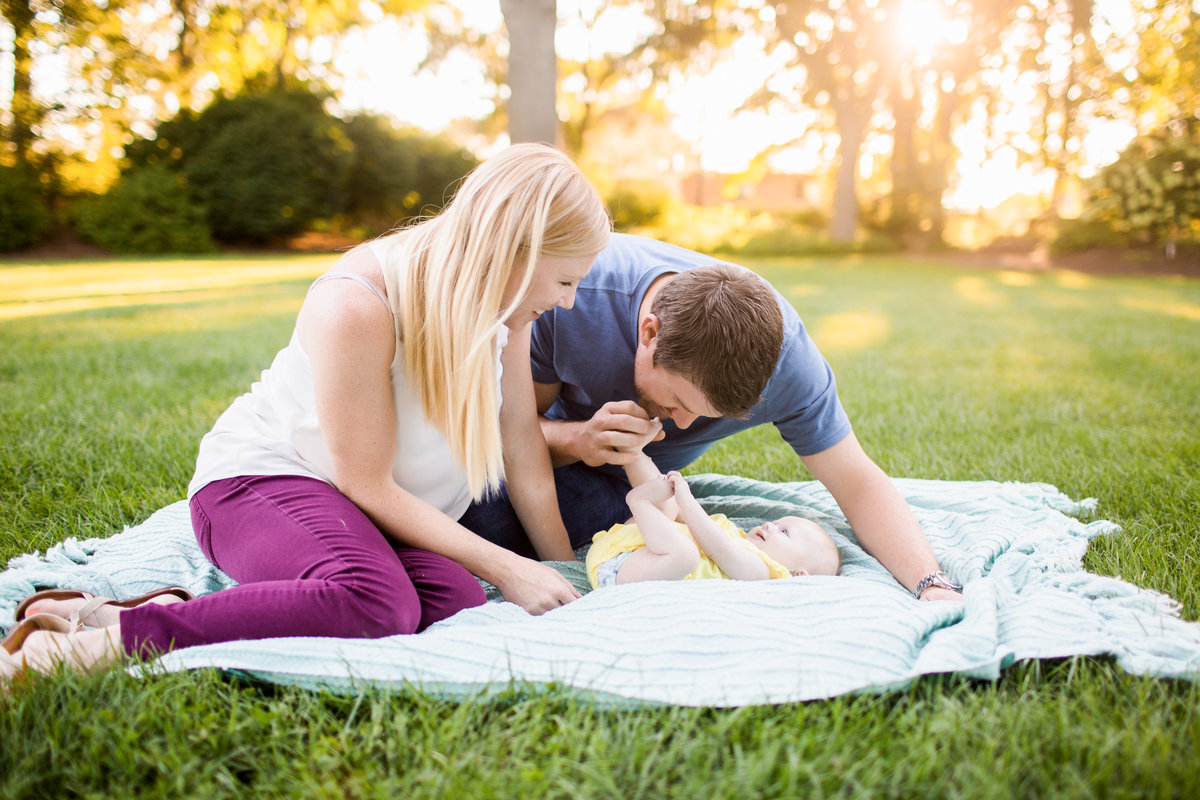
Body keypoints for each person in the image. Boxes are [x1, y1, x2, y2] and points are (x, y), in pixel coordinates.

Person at [6, 143, 613, 677]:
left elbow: (516, 438)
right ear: (515, 252)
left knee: (453, 595)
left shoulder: (501, 312)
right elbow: (363, 480)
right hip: (260, 483)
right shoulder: (360, 304)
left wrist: (562, 568)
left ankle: (121, 613)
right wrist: (509, 567)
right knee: (378, 604)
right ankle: (103, 646)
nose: (568, 301)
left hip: (357, 509)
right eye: (565, 281)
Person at [459, 233, 964, 602]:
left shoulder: (789, 365)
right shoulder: (573, 298)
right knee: (472, 501)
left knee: (569, 514)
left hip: (627, 495)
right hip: (542, 460)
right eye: (676, 401)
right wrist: (577, 439)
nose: (679, 426)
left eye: (704, 417)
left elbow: (857, 484)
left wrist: (931, 584)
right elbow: (508, 431)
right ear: (650, 334)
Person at [586, 448, 841, 588]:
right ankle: (632, 452)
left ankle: (638, 501)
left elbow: (716, 547)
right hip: (631, 552)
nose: (769, 525)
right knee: (668, 508)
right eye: (776, 523)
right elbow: (685, 516)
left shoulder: (765, 574)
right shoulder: (736, 537)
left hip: (618, 573)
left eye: (784, 532)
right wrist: (675, 495)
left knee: (685, 554)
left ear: (799, 574)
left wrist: (687, 498)